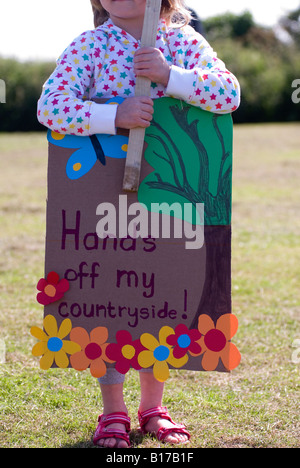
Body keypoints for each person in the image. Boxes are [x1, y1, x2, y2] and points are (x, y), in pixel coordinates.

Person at [37, 0, 240, 448]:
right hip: (102, 195)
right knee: (109, 295)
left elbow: (229, 94)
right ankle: (113, 412)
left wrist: (172, 77)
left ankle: (153, 408)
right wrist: (113, 115)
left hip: (169, 196)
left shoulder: (183, 42)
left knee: (159, 295)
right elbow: (50, 107)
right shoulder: (89, 47)